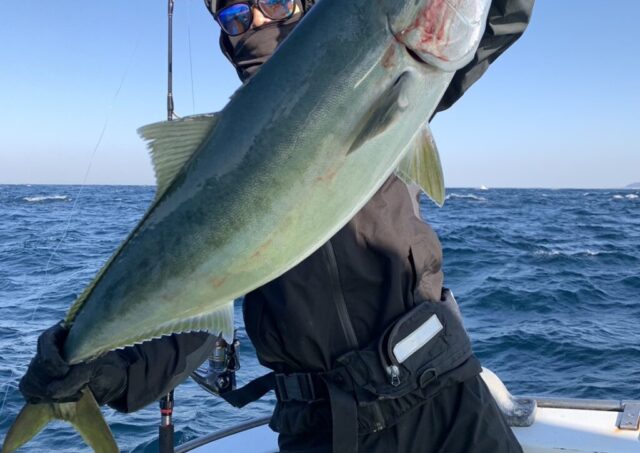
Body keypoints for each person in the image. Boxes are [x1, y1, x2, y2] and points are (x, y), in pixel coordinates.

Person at [19, 0, 535, 451]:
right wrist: (102, 370)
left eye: (275, 1)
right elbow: (195, 320)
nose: (259, 21)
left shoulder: (395, 76)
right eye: (236, 14)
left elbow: (496, 20)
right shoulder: (218, 162)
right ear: (226, 37)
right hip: (321, 428)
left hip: (445, 396)